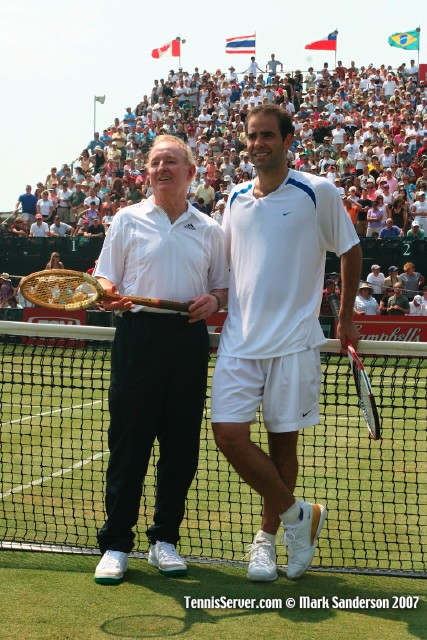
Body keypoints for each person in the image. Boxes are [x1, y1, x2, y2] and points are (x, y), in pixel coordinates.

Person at [211, 105, 361, 583]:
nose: (258, 144)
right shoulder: (233, 199)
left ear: (287, 139)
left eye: (267, 136)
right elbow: (227, 270)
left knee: (283, 445)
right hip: (239, 340)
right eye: (252, 136)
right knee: (228, 436)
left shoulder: (317, 191)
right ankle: (301, 516)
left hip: (295, 341)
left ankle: (267, 539)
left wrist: (345, 317)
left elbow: (351, 249)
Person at [93, 135, 228, 585]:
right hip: (138, 338)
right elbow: (105, 278)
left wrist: (212, 301)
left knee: (180, 447)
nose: (162, 168)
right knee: (129, 444)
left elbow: (221, 289)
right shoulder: (126, 220)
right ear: (146, 173)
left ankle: (164, 540)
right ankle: (116, 544)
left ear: (191, 172)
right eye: (155, 163)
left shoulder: (210, 229)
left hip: (187, 340)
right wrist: (109, 293)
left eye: (171, 161)